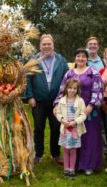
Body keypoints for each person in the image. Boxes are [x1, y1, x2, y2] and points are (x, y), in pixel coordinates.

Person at [0, 11, 41, 186]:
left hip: (14, 105)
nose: (1, 45)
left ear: (10, 44)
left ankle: (18, 163)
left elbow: (23, 83)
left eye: (5, 42)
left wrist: (12, 94)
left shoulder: (17, 64)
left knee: (16, 132)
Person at [54, 47, 103, 175]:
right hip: (71, 111)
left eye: (83, 56)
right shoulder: (69, 73)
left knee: (89, 138)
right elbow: (62, 90)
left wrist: (91, 106)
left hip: (89, 111)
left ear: (87, 59)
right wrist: (56, 105)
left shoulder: (93, 72)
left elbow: (98, 90)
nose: (80, 58)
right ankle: (73, 165)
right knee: (73, 136)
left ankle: (88, 165)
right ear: (75, 58)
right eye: (78, 56)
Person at [26, 34, 69, 165]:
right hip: (38, 101)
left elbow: (67, 79)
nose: (46, 46)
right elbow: (27, 79)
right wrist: (30, 96)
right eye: (44, 44)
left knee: (56, 127)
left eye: (49, 44)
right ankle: (38, 155)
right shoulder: (33, 60)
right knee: (39, 127)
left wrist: (65, 98)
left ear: (53, 45)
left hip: (57, 101)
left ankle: (55, 154)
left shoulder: (61, 60)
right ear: (40, 46)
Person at [54, 79, 87, 180]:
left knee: (73, 150)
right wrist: (62, 120)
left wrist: (75, 122)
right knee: (65, 149)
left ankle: (71, 169)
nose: (72, 90)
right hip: (65, 129)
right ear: (66, 89)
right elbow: (58, 113)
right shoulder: (62, 100)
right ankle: (66, 169)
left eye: (74, 88)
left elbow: (83, 114)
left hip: (75, 130)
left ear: (77, 90)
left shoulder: (80, 101)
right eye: (70, 88)